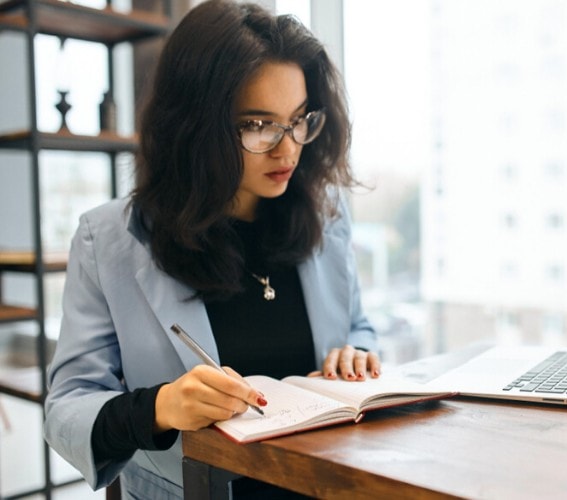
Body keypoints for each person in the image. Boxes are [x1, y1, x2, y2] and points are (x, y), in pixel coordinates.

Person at [44, 1, 380, 497]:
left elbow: (356, 327)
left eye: (298, 120)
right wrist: (160, 407)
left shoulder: (324, 213)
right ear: (194, 126)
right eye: (258, 125)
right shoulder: (110, 240)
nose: (288, 149)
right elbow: (66, 410)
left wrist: (357, 355)